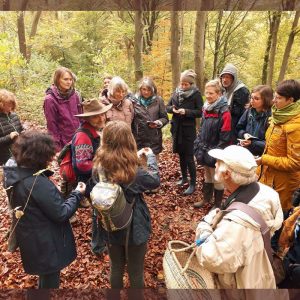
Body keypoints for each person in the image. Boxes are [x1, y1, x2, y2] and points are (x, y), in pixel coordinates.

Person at [3, 130, 86, 288]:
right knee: (50, 280)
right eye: (49, 155)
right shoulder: (36, 183)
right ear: (39, 156)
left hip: (30, 235)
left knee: (45, 274)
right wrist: (76, 194)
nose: (52, 158)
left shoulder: (13, 170)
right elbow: (61, 213)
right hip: (45, 241)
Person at [195, 145, 283, 288]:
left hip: (243, 285)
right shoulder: (268, 192)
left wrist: (204, 226)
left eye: (219, 162)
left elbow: (212, 259)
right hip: (259, 270)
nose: (215, 164)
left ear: (227, 174)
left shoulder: (237, 224)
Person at [90, 120, 160, 288]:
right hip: (134, 226)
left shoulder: (99, 166)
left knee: (115, 268)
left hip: (109, 223)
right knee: (135, 272)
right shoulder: (134, 171)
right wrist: (150, 157)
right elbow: (154, 180)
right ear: (129, 141)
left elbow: (115, 171)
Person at [73, 99, 112, 256]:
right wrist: (105, 167)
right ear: (87, 118)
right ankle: (98, 246)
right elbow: (82, 164)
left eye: (102, 114)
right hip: (90, 182)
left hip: (98, 179)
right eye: (96, 116)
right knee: (99, 212)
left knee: (102, 211)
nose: (101, 118)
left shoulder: (96, 131)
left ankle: (103, 241)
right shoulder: (83, 136)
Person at [256, 79, 300, 213]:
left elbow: (295, 163)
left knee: (277, 223)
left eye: (279, 98)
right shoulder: (278, 115)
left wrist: (264, 159)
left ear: (290, 100)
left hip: (283, 187)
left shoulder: (296, 125)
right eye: (274, 96)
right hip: (267, 178)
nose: (274, 101)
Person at [193, 79, 231, 208]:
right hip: (204, 148)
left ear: (219, 94)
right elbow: (202, 128)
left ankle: (218, 204)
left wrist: (216, 153)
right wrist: (198, 144)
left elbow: (225, 136)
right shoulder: (206, 108)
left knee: (217, 177)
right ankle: (206, 199)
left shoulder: (224, 112)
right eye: (207, 93)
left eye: (211, 93)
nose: (208, 96)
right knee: (207, 175)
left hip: (216, 151)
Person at [166, 69, 203, 195]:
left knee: (189, 157)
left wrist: (186, 112)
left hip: (188, 130)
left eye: (186, 84)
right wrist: (173, 109)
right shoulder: (176, 93)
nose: (183, 86)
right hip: (177, 129)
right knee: (180, 155)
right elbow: (168, 107)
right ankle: (184, 178)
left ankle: (193, 183)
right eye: (182, 83)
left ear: (191, 84)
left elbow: (200, 112)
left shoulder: (196, 95)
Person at [43, 66, 82, 151]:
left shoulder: (75, 95)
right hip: (63, 142)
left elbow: (81, 117)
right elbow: (52, 125)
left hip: (79, 138)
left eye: (70, 79)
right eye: (65, 79)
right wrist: (56, 146)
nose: (69, 82)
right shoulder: (50, 99)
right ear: (57, 80)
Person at [132, 77, 169, 159]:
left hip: (154, 140)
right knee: (140, 169)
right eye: (144, 89)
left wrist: (158, 123)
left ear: (153, 90)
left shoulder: (158, 100)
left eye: (149, 90)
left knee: (153, 168)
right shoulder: (134, 101)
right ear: (140, 89)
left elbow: (165, 118)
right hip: (139, 140)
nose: (146, 92)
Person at [236, 85, 273, 156]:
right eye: (251, 97)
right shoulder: (248, 111)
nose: (252, 101)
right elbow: (239, 128)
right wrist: (244, 134)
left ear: (266, 100)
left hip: (261, 155)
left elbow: (271, 143)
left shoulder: (271, 117)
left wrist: (252, 143)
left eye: (256, 98)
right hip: (245, 151)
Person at [220, 63, 250, 143]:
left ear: (234, 79)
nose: (225, 80)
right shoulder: (225, 90)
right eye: (223, 77)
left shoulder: (241, 90)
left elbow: (239, 113)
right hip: (225, 126)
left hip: (235, 129)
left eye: (228, 77)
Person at [0, 89, 23, 166]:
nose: (10, 106)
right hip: (3, 157)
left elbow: (21, 130)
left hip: (18, 152)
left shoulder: (14, 116)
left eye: (11, 104)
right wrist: (9, 137)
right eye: (8, 104)